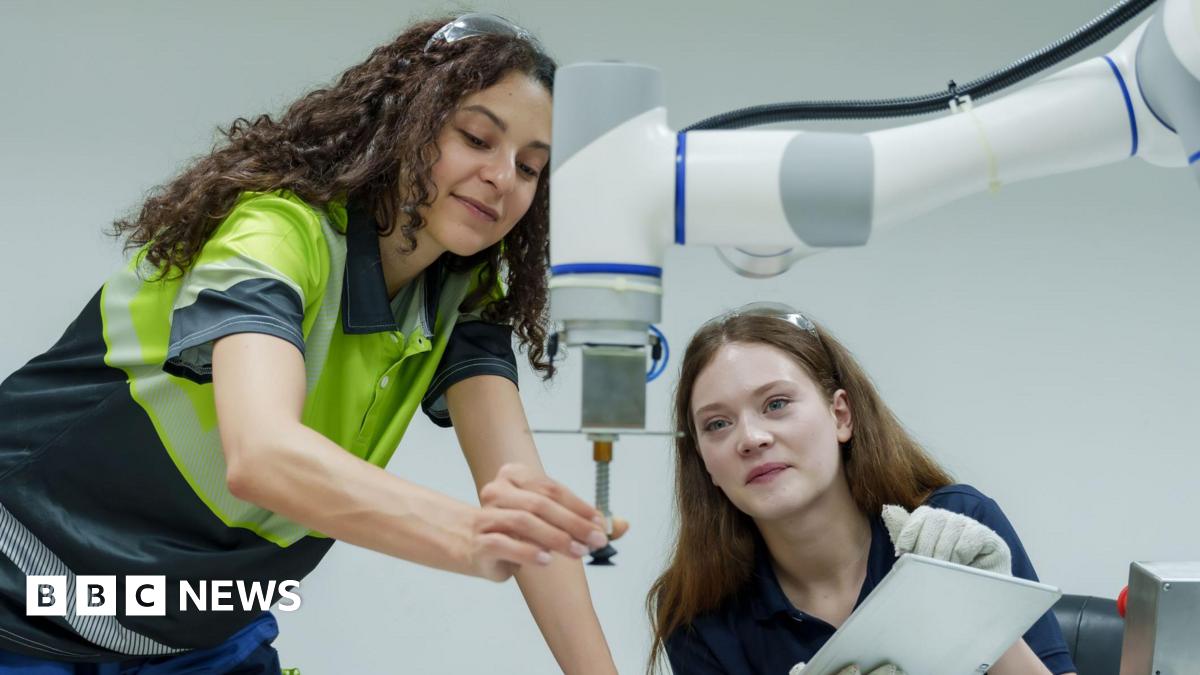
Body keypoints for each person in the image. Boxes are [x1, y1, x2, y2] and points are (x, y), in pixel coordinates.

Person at [0, 13, 621, 674]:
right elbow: (263, 455)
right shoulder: (275, 232)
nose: (502, 177)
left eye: (530, 167)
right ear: (407, 119)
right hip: (22, 593)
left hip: (197, 630)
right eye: (476, 138)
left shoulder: (464, 295)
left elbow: (519, 496)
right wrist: (471, 536)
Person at [646, 303, 1077, 675]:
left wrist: (982, 614)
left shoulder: (957, 526)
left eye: (776, 404)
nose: (751, 438)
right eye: (717, 424)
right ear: (704, 461)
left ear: (841, 416)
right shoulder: (696, 612)